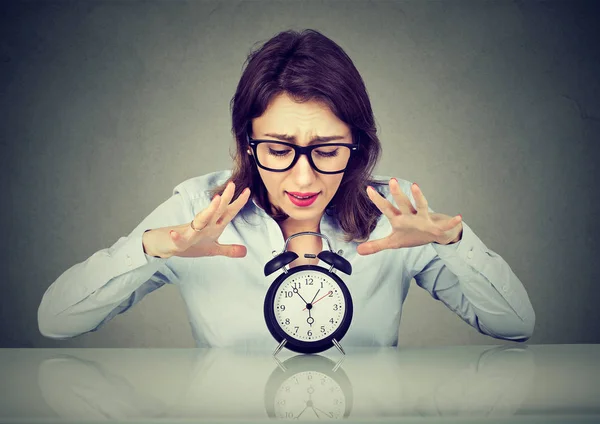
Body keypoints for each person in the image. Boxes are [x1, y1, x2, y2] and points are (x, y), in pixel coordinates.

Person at [38, 29, 535, 348]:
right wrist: (156, 246)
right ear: (247, 142)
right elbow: (56, 320)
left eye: (327, 149)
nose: (303, 178)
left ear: (358, 145)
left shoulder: (392, 218)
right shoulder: (199, 209)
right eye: (279, 148)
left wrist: (451, 243)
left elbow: (515, 326)